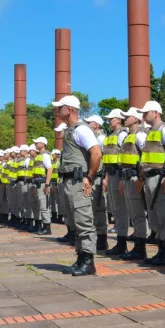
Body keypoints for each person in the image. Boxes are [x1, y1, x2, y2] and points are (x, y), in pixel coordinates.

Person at [52, 95, 102, 276]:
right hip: (69, 181)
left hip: (80, 182)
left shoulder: (82, 130)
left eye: (61, 107)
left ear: (70, 109)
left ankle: (88, 261)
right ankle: (81, 257)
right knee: (74, 222)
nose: (58, 110)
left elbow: (96, 153)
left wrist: (89, 177)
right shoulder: (71, 130)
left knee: (84, 221)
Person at [138, 101, 165, 266]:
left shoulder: (164, 129)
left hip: (161, 178)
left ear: (156, 112)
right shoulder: (150, 131)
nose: (143, 115)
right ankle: (161, 250)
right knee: (155, 216)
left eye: (146, 112)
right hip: (149, 177)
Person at [119, 107, 148, 260]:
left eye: (128, 116)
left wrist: (141, 178)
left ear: (135, 119)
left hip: (136, 178)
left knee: (138, 215)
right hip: (127, 178)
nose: (125, 118)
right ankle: (138, 245)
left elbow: (146, 156)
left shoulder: (140, 135)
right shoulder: (128, 136)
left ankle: (140, 248)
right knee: (133, 214)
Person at [102, 109, 129, 257]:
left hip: (119, 175)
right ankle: (120, 241)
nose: (109, 121)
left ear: (119, 120)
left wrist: (123, 179)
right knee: (116, 210)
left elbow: (125, 156)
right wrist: (106, 177)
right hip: (111, 175)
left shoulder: (122, 135)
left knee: (121, 209)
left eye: (111, 119)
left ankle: (122, 242)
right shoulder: (110, 136)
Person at [84, 115, 108, 251]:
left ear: (96, 125)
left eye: (89, 122)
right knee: (92, 209)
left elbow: (104, 159)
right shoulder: (93, 137)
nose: (87, 124)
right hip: (94, 176)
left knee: (99, 209)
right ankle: (96, 237)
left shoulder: (101, 138)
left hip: (99, 176)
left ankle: (102, 238)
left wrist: (105, 177)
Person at [32, 137, 53, 235]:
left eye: (37, 142)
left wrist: (47, 185)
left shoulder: (45, 155)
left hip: (43, 183)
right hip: (37, 183)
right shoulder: (38, 156)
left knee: (44, 206)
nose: (35, 144)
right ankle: (43, 226)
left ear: (43, 144)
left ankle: (47, 228)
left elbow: (49, 169)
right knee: (40, 206)